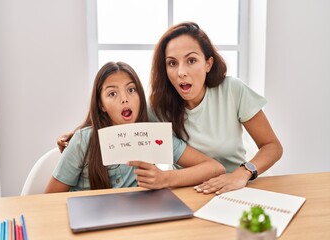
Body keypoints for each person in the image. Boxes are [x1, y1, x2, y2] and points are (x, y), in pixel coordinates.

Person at [57, 22, 283, 195]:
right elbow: (125, 118)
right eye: (172, 63)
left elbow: (272, 146)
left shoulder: (233, 90)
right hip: (187, 190)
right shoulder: (159, 106)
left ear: (208, 63)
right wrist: (81, 133)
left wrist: (242, 174)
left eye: (191, 60)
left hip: (237, 186)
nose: (181, 72)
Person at [45, 61, 225, 193]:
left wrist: (165, 179)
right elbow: (48, 199)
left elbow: (215, 168)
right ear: (101, 105)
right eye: (112, 93)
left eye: (131, 90)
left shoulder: (152, 135)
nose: (124, 98)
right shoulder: (83, 141)